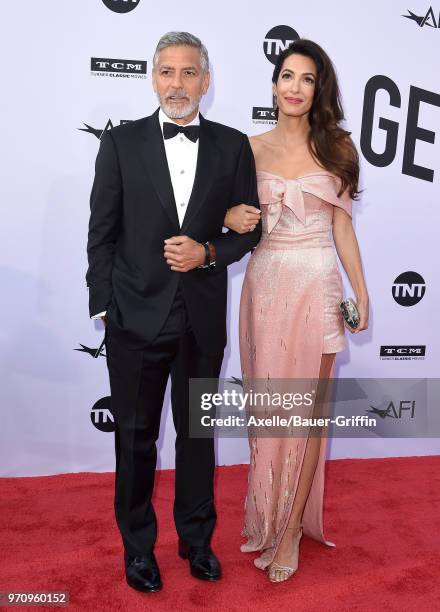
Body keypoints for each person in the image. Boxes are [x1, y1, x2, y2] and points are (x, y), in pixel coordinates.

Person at [86, 31, 261, 593]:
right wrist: (105, 307)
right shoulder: (120, 144)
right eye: (167, 71)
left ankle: (196, 538)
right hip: (135, 318)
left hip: (201, 319)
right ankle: (138, 548)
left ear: (206, 82)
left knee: (197, 436)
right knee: (135, 438)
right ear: (152, 78)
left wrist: (208, 250)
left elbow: (247, 232)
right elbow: (102, 234)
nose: (177, 83)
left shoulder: (234, 147)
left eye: (189, 73)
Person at [224, 39, 369, 582]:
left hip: (319, 286)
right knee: (271, 413)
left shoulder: (338, 149)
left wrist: (363, 292)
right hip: (265, 286)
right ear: (274, 83)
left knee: (307, 419)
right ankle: (267, 517)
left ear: (319, 89)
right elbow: (233, 219)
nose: (294, 87)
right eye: (287, 75)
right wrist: (234, 217)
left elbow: (343, 228)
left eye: (307, 79)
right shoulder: (248, 148)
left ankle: (289, 535)